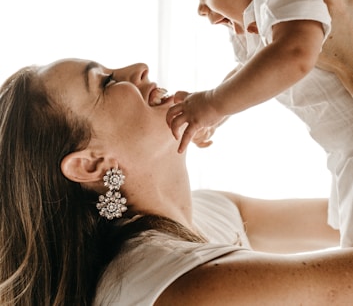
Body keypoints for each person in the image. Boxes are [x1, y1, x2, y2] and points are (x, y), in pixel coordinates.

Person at [1, 57, 353, 306]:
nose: (139, 68)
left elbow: (343, 214)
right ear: (92, 164)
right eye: (107, 82)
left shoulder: (208, 211)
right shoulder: (178, 286)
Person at [166, 0, 353, 247]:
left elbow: (295, 54)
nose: (200, 9)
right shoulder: (263, 12)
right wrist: (217, 113)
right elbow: (253, 66)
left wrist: (213, 104)